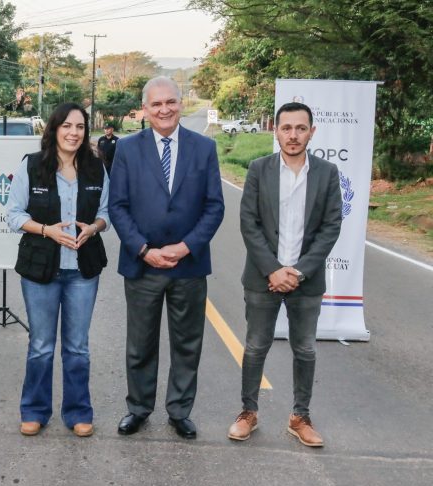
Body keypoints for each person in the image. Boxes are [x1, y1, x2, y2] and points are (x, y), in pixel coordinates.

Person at [109, 76, 224, 439]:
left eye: (170, 102)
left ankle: (179, 411)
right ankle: (138, 408)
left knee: (187, 344)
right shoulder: (127, 149)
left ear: (181, 103)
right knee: (140, 344)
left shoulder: (204, 148)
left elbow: (214, 206)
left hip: (188, 266)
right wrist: (144, 250)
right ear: (145, 109)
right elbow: (118, 206)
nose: (164, 109)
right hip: (142, 265)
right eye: (156, 104)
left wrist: (186, 246)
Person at [228, 102, 342, 447]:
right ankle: (248, 412)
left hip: (306, 282)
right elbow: (249, 223)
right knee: (255, 346)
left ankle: (300, 417)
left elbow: (330, 226)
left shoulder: (326, 172)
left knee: (305, 349)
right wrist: (274, 270)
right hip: (264, 278)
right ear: (275, 130)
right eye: (286, 128)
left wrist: (300, 271)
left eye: (300, 128)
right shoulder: (258, 169)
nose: (293, 135)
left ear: (312, 132)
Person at [7, 103, 110, 437]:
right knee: (41, 345)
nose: (73, 132)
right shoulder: (32, 166)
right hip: (41, 271)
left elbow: (107, 212)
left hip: (82, 271)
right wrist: (46, 230)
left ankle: (78, 412)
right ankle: (34, 410)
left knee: (77, 346)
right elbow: (14, 215)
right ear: (53, 129)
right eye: (66, 125)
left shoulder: (96, 168)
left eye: (80, 127)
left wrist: (94, 227)